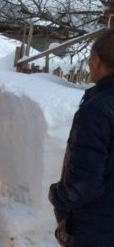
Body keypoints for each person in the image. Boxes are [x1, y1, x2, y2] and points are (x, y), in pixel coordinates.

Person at [49, 29, 114, 247]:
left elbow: (82, 184)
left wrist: (57, 196)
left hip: (97, 228)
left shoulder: (98, 110)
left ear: (97, 61)